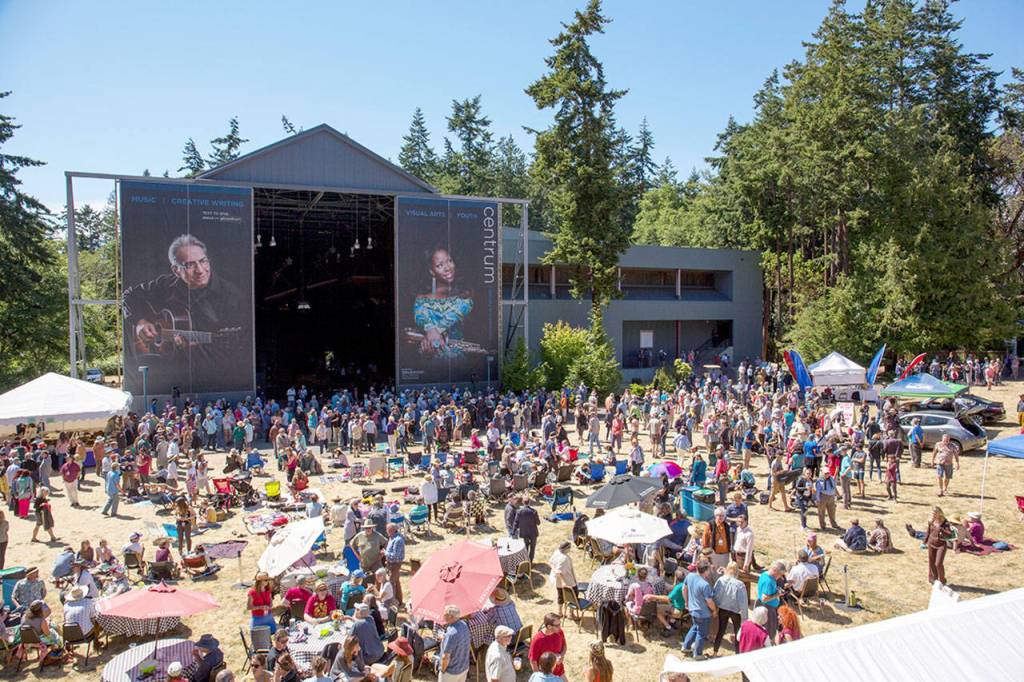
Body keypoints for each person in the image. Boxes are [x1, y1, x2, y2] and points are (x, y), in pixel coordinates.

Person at [123, 233, 248, 384]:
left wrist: (193, 347)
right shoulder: (165, 285)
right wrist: (140, 321)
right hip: (168, 372)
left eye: (203, 261)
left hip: (210, 376)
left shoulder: (231, 297)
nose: (200, 270)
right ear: (176, 270)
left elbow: (237, 354)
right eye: (190, 265)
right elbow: (129, 296)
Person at [413, 246, 474, 361]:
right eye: (439, 265)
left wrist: (431, 333)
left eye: (449, 261)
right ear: (432, 271)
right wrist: (430, 336)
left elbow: (451, 317)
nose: (447, 268)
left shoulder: (465, 295)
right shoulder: (421, 298)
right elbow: (420, 318)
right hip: (429, 363)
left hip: (458, 361)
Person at [711, 562, 748, 656]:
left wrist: (716, 607)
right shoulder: (740, 584)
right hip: (735, 611)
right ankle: (738, 654)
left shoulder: (721, 580)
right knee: (737, 633)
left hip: (722, 609)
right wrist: (745, 618)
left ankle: (715, 652)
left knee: (721, 631)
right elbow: (743, 602)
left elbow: (715, 595)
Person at [681, 561, 716, 661]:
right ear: (705, 571)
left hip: (692, 610)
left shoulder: (690, 576)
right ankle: (697, 654)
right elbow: (709, 601)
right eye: (709, 569)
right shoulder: (705, 585)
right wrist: (714, 610)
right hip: (703, 613)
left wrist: (686, 602)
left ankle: (686, 646)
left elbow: (684, 589)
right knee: (701, 633)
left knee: (695, 627)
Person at [438, 604, 472, 682]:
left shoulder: (450, 634)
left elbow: (445, 657)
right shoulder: (464, 624)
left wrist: (442, 671)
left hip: (451, 672)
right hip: (463, 668)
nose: (443, 616)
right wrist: (445, 638)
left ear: (451, 617)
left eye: (445, 614)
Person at [528, 613, 566, 679]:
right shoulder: (538, 640)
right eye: (557, 625)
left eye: (560, 624)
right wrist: (539, 678)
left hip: (559, 671)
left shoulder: (560, 632)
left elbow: (564, 647)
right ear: (549, 626)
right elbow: (533, 661)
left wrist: (561, 656)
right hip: (545, 675)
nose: (560, 627)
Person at [549, 541, 578, 619]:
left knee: (560, 596)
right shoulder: (564, 558)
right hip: (567, 581)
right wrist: (563, 583)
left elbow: (550, 562)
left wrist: (554, 570)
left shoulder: (556, 552)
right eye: (569, 548)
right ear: (566, 549)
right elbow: (559, 572)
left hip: (558, 581)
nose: (570, 549)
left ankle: (560, 613)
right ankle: (571, 614)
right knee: (573, 596)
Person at [925, 506, 953, 585]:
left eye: (935, 513)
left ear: (939, 513)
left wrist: (942, 529)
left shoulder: (945, 522)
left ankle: (942, 581)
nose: (933, 515)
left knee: (938, 563)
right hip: (931, 543)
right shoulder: (931, 521)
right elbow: (928, 531)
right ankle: (933, 579)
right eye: (932, 513)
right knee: (931, 562)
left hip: (941, 545)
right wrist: (925, 541)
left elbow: (950, 534)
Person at [756, 560, 784, 639]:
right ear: (775, 571)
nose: (780, 577)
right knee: (769, 630)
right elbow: (764, 598)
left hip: (767, 606)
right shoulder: (768, 581)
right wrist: (777, 594)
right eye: (780, 574)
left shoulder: (764, 574)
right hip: (768, 608)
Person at [384, 523, 405, 605]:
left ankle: (393, 602)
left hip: (395, 564)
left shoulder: (398, 540)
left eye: (387, 530)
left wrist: (385, 553)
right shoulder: (392, 538)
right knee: (396, 582)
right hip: (391, 564)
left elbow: (395, 556)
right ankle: (399, 601)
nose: (386, 531)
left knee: (391, 583)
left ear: (391, 530)